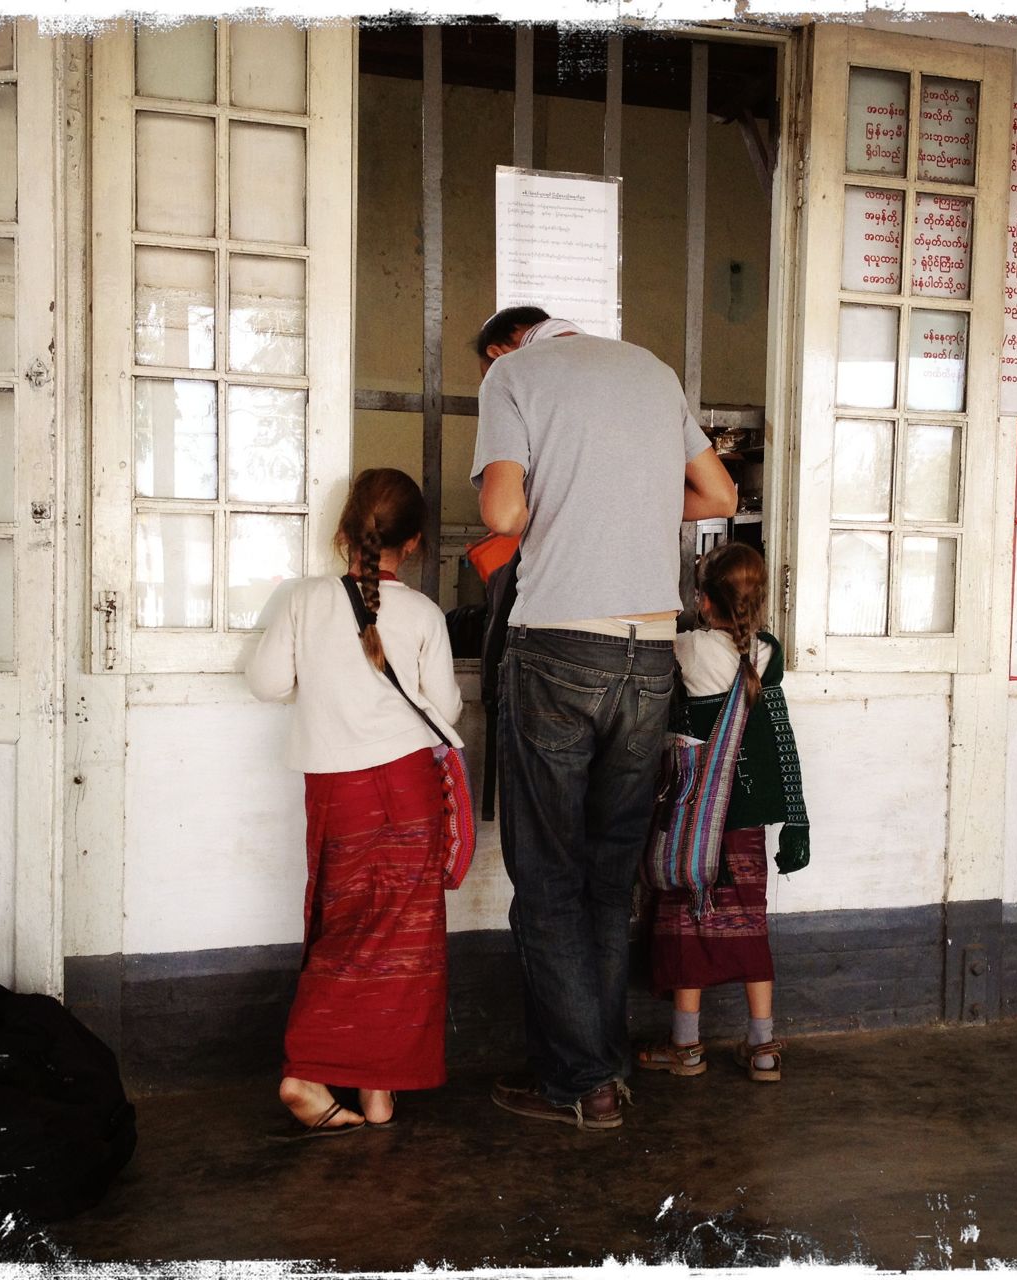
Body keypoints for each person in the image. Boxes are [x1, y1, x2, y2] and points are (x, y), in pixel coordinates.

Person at [471, 305, 738, 1130]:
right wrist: (631, 502)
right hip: (648, 653)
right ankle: (606, 1069)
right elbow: (720, 493)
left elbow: (502, 516)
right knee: (606, 878)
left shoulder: (511, 375)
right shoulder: (653, 372)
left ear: (507, 344)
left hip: (558, 648)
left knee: (548, 878)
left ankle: (580, 1084)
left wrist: (557, 497)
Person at [246, 468, 464, 1137]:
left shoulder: (303, 599)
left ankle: (367, 1092)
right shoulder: (423, 614)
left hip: (339, 794)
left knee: (346, 932)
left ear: (344, 532)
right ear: (414, 543)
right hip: (409, 790)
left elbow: (266, 682)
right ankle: (332, 1080)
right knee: (403, 942)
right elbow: (447, 708)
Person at [636, 541, 810, 1084]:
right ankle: (763, 1048)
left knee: (687, 922)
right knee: (750, 924)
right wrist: (796, 818)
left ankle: (686, 1047)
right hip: (748, 821)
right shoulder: (767, 651)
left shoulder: (686, 648)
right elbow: (781, 735)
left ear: (704, 601)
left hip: (693, 818)